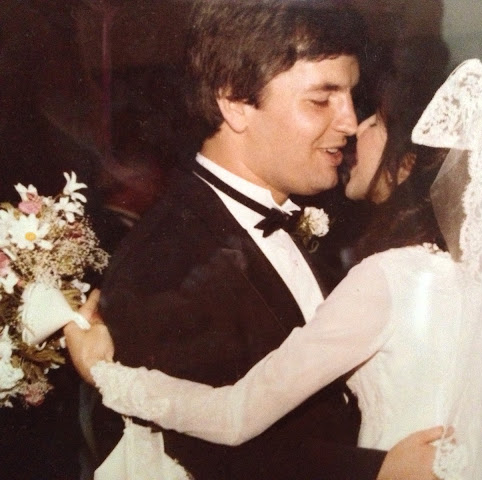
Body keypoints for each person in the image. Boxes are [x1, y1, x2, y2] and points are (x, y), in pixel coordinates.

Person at [67, 55, 482, 479]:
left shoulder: (390, 277)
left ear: (407, 163)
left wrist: (106, 375)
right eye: (323, 99)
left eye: (375, 121)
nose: (354, 127)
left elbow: (234, 415)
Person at [76, 2, 444, 479]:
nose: (351, 122)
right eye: (321, 100)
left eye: (351, 97)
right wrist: (377, 471)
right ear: (235, 102)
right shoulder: (165, 256)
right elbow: (203, 456)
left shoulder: (313, 218)